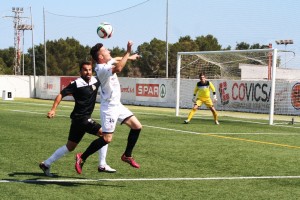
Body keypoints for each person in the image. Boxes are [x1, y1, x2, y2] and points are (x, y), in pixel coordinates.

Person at [75, 41, 142, 174]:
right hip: (109, 108)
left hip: (117, 105)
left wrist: (129, 57)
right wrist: (128, 51)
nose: (109, 51)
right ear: (100, 57)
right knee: (106, 139)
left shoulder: (106, 62)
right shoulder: (102, 69)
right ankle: (82, 158)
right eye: (105, 50)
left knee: (137, 126)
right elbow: (118, 68)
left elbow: (116, 59)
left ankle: (127, 155)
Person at [39, 61, 116, 177]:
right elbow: (61, 94)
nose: (88, 72)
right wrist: (53, 109)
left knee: (70, 147)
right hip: (81, 119)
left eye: (90, 70)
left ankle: (46, 163)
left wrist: (126, 57)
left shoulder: (96, 80)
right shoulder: (76, 83)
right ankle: (102, 164)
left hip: (77, 120)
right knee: (105, 135)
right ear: (80, 71)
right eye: (85, 70)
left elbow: (108, 67)